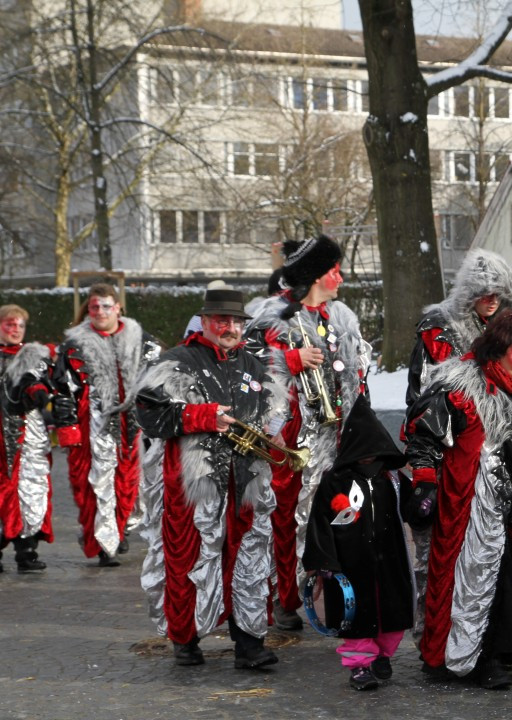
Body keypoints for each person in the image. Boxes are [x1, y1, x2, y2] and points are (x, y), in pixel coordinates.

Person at [404, 309, 512, 690]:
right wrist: (425, 481)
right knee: (471, 582)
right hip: (468, 508)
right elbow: (422, 434)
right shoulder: (460, 387)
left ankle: (502, 644)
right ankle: (472, 656)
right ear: (496, 351)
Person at [135, 286, 289, 668]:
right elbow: (148, 416)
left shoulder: (252, 364)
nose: (230, 327)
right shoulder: (176, 362)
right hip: (196, 483)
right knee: (191, 560)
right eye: (222, 320)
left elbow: (271, 406)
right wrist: (200, 416)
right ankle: (185, 639)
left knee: (249, 561)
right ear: (204, 322)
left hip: (247, 479)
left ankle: (249, 643)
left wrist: (275, 429)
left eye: (236, 321)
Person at [244, 234, 372, 632]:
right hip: (291, 439)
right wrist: (287, 358)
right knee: (287, 520)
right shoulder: (272, 318)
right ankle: (286, 597)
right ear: (317, 275)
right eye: (335, 270)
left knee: (339, 515)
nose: (341, 277)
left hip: (336, 438)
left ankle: (332, 596)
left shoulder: (342, 318)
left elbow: (357, 376)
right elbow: (243, 369)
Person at [303, 394, 414, 692]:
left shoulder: (391, 479)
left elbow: (413, 509)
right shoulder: (334, 482)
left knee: (392, 615)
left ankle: (383, 655)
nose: (368, 457)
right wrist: (322, 562)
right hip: (351, 567)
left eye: (373, 450)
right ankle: (360, 666)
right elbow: (319, 523)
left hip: (390, 563)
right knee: (355, 617)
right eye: (361, 451)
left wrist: (428, 499)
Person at [53, 283, 162, 567]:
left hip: (133, 425)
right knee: (98, 484)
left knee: (131, 484)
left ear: (118, 308)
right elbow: (63, 390)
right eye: (94, 307)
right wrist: (68, 428)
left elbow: (160, 381)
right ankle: (104, 542)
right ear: (87, 310)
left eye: (106, 306)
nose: (100, 311)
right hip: (92, 426)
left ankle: (119, 528)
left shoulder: (142, 341)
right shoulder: (73, 346)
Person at [0, 306, 77, 573]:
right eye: (10, 325)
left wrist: (41, 394)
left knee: (31, 488)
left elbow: (43, 385)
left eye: (20, 325)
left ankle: (27, 550)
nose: (15, 330)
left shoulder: (35, 358)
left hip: (29, 435)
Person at [405, 248, 512, 409]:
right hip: (456, 418)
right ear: (472, 293)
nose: (494, 301)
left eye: (499, 295)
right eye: (487, 294)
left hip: (493, 419)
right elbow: (423, 385)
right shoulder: (441, 325)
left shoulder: (498, 328)